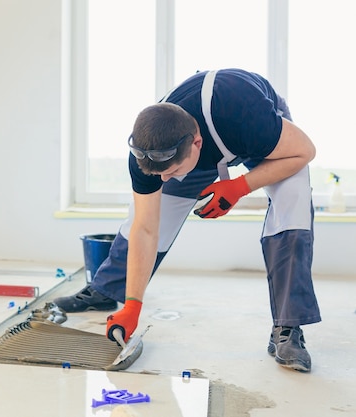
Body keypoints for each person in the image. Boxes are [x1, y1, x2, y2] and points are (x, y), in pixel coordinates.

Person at [54, 68, 321, 373]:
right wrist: (133, 305)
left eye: (171, 171)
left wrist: (239, 186)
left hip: (250, 131)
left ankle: (289, 328)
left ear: (196, 144)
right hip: (196, 144)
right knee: (153, 217)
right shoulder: (148, 154)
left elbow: (305, 151)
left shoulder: (248, 116)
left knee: (293, 203)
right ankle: (107, 291)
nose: (165, 179)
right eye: (160, 174)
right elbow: (145, 227)